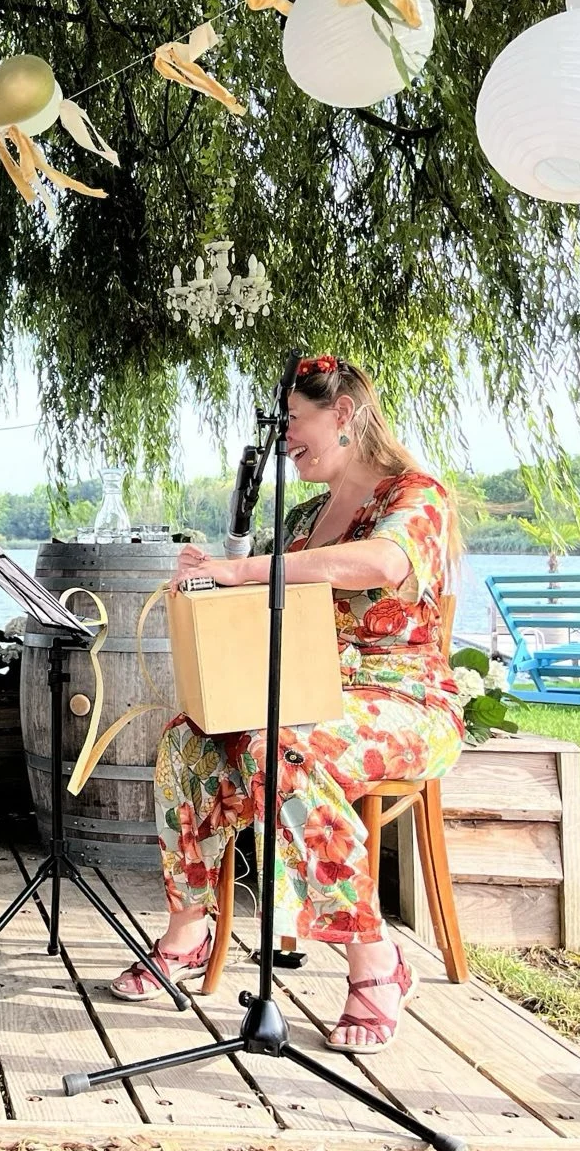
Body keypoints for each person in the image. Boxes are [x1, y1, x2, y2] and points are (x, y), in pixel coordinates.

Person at [112, 355, 463, 1055]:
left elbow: (381, 564)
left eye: (294, 421)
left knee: (284, 744)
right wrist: (210, 579)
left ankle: (375, 958)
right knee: (186, 738)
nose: (284, 440)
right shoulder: (302, 518)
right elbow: (262, 598)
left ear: (343, 414)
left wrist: (245, 569)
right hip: (304, 694)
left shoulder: (415, 496)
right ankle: (188, 927)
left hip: (403, 702)